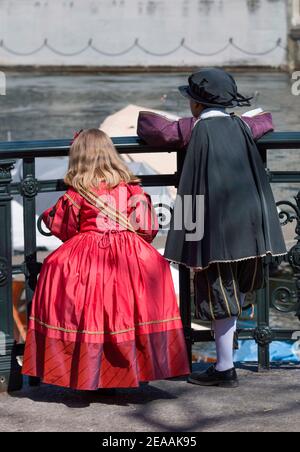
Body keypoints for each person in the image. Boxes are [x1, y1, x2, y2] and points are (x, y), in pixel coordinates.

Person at [138, 68, 287, 388]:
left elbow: (149, 125)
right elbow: (266, 119)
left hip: (206, 222)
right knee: (233, 291)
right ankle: (225, 362)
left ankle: (224, 367)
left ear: (195, 104)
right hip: (249, 221)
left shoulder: (190, 129)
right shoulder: (242, 125)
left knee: (217, 291)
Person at [22, 129, 190, 390]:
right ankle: (132, 367)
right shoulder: (131, 188)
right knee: (126, 311)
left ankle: (89, 371)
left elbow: (62, 228)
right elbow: (147, 228)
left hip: (87, 252)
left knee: (74, 294)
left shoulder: (77, 192)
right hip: (129, 252)